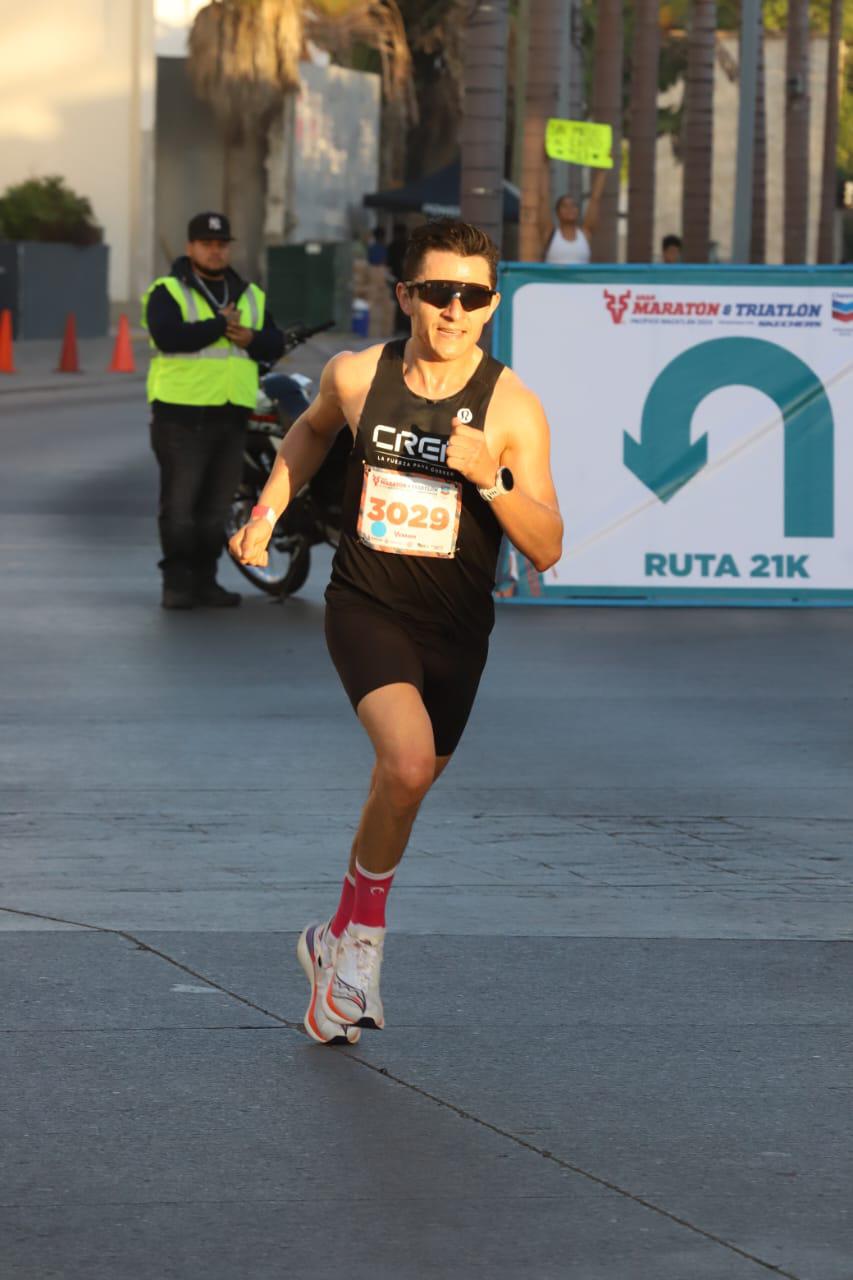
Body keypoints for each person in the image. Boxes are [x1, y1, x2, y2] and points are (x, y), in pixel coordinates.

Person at [229, 219, 563, 1044]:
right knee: (406, 761)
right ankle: (364, 946)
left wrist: (491, 480)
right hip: (366, 604)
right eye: (440, 292)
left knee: (404, 786)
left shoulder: (512, 406)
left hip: (456, 626)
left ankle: (330, 935)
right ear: (406, 292)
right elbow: (309, 433)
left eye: (474, 295)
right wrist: (268, 513)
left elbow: (547, 543)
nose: (455, 310)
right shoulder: (355, 376)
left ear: (491, 305)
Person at [142, 211, 286, 609]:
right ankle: (177, 583)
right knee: (181, 507)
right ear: (190, 248)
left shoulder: (248, 293)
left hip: (231, 415)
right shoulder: (169, 290)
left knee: (216, 509)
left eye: (221, 244)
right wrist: (218, 327)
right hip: (180, 415)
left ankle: (205, 580)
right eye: (206, 243)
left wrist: (252, 337)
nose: (215, 250)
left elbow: (274, 343)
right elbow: (166, 335)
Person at [544, 170, 607, 264]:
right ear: (557, 212)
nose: (570, 209)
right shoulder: (549, 233)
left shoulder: (585, 233)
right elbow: (543, 198)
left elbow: (595, 199)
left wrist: (603, 169)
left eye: (573, 205)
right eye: (565, 206)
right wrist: (545, 164)